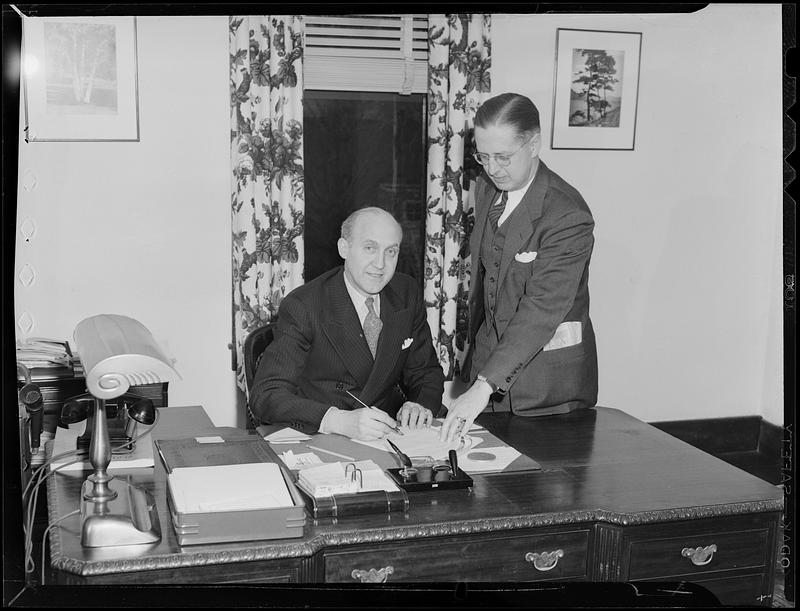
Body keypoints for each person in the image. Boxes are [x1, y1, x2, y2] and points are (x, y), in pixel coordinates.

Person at [440, 92, 598, 442]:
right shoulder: (486, 187)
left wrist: (483, 386)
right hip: (489, 370)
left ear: (534, 144)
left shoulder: (567, 215)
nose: (492, 168)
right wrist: (478, 376)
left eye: (503, 156)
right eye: (483, 156)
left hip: (547, 390)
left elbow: (541, 308)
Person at [250, 207, 445, 440]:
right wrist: (337, 420)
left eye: (391, 251)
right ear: (344, 248)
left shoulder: (406, 293)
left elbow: (425, 371)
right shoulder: (304, 305)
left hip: (389, 433)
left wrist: (419, 405)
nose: (380, 264)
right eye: (370, 248)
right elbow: (266, 395)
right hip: (324, 434)